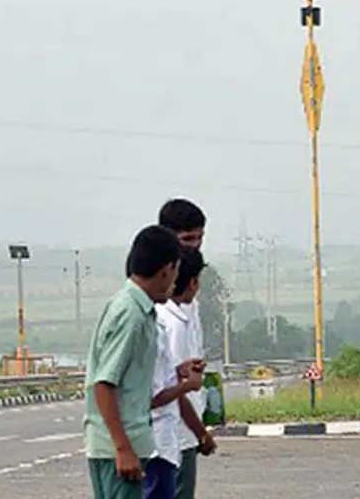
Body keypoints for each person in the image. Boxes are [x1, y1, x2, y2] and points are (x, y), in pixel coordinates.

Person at [84, 225, 190, 499]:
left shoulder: (139, 309)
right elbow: (104, 383)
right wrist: (122, 448)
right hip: (118, 450)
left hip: (130, 443)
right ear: (166, 269)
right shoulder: (130, 314)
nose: (176, 280)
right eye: (176, 271)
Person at [157, 198, 209, 499]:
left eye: (200, 238)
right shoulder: (166, 315)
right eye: (188, 239)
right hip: (173, 433)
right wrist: (200, 432)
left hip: (185, 430)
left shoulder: (189, 300)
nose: (196, 246)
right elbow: (171, 385)